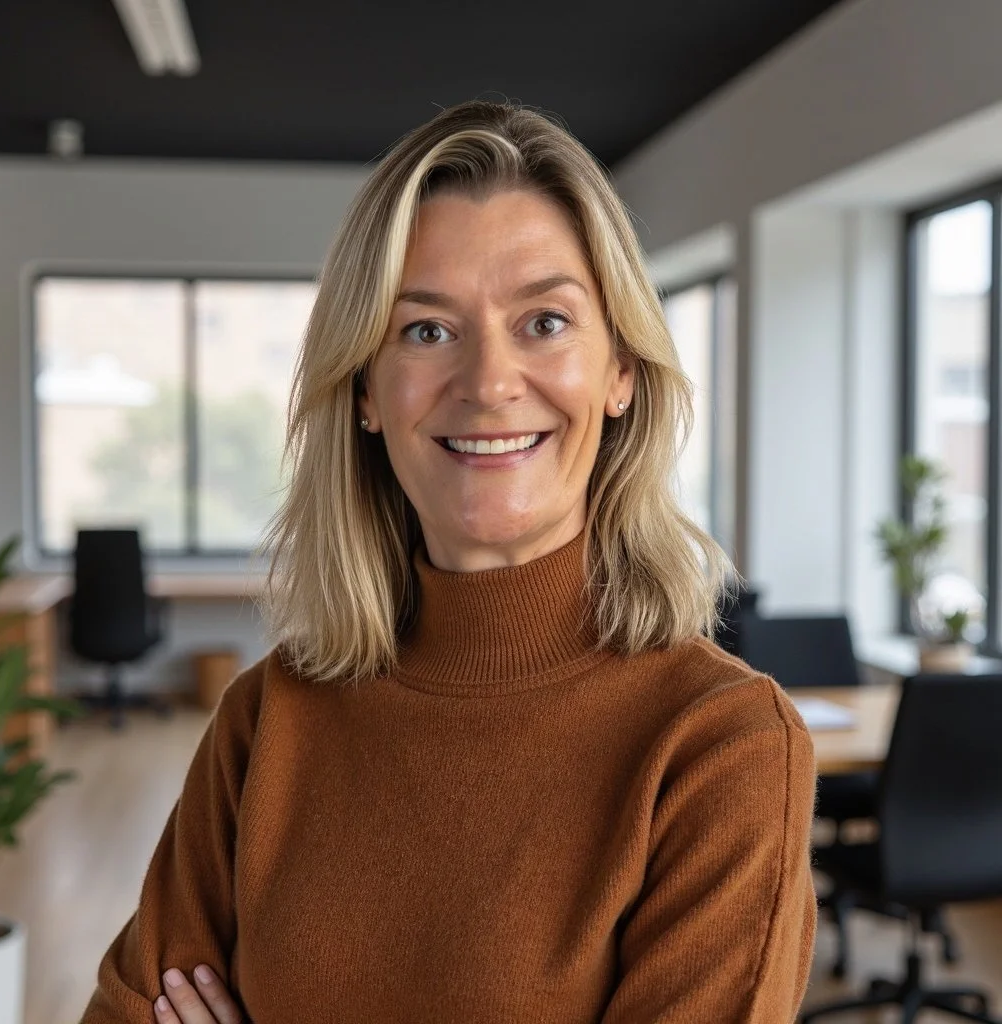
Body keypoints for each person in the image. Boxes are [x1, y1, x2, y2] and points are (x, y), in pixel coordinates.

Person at [80, 100, 816, 1024]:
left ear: (621, 372)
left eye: (544, 321)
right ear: (365, 393)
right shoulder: (269, 719)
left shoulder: (721, 749)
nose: (489, 382)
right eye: (426, 330)